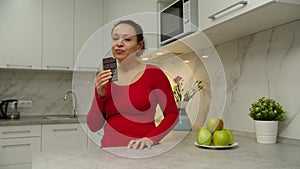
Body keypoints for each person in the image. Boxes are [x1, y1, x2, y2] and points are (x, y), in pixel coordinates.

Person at [86, 20, 179, 150]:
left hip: (144, 150)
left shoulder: (154, 74)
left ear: (139, 46)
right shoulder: (106, 78)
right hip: (109, 152)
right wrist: (99, 94)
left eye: (127, 39)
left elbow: (172, 114)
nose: (119, 43)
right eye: (115, 38)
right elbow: (93, 126)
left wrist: (151, 138)